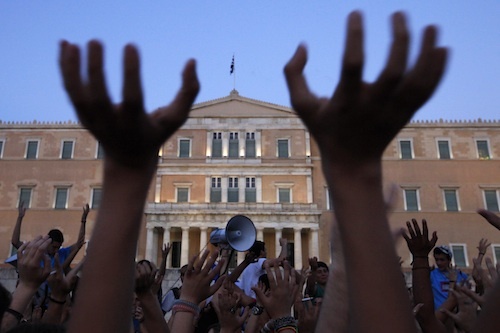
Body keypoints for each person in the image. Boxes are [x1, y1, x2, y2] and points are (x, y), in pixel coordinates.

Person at [430, 245, 468, 309]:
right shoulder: (432, 274)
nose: (439, 263)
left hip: (456, 313)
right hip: (439, 313)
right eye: (437, 260)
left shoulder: (460, 275)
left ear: (449, 260)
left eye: (442, 260)